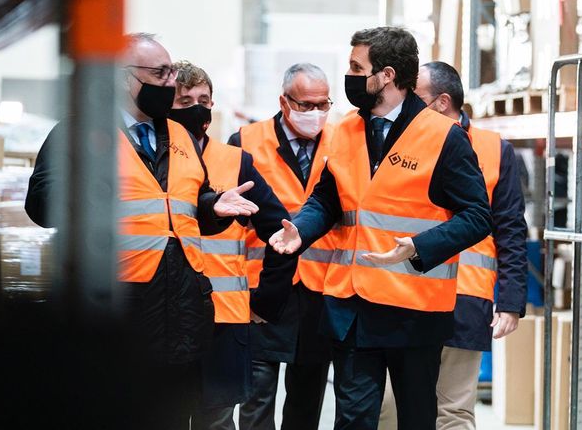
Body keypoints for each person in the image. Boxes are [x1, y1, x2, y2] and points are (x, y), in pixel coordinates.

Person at [24, 33, 271, 430]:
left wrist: (214, 207)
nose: (170, 81)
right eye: (159, 73)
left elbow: (188, 207)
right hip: (118, 314)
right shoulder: (79, 131)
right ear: (125, 79)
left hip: (183, 315)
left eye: (171, 71)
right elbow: (40, 204)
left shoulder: (180, 136)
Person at [268, 27, 493, 430]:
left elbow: (478, 215)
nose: (350, 74)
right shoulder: (345, 131)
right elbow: (327, 199)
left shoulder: (444, 137)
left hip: (414, 310)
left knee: (416, 419)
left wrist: (419, 246)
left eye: (357, 67)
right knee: (353, 420)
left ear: (386, 75)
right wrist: (300, 230)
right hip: (351, 309)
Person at [378, 61, 528, 430]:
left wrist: (510, 302)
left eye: (417, 99)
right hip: (405, 295)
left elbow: (510, 229)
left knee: (453, 413)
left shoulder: (494, 150)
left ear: (442, 103)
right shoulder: (399, 143)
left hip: (465, 298)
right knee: (387, 409)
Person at [167, 60, 299, 430]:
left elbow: (282, 231)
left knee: (217, 421)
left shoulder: (234, 162)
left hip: (224, 320)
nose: (196, 107)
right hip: (166, 319)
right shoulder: (152, 160)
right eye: (184, 100)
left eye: (204, 99)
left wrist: (265, 301)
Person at [226, 63, 337, 430]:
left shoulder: (342, 143)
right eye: (306, 105)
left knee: (306, 402)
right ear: (284, 102)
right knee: (256, 400)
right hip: (263, 290)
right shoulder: (246, 142)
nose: (316, 114)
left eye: (323, 104)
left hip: (320, 292)